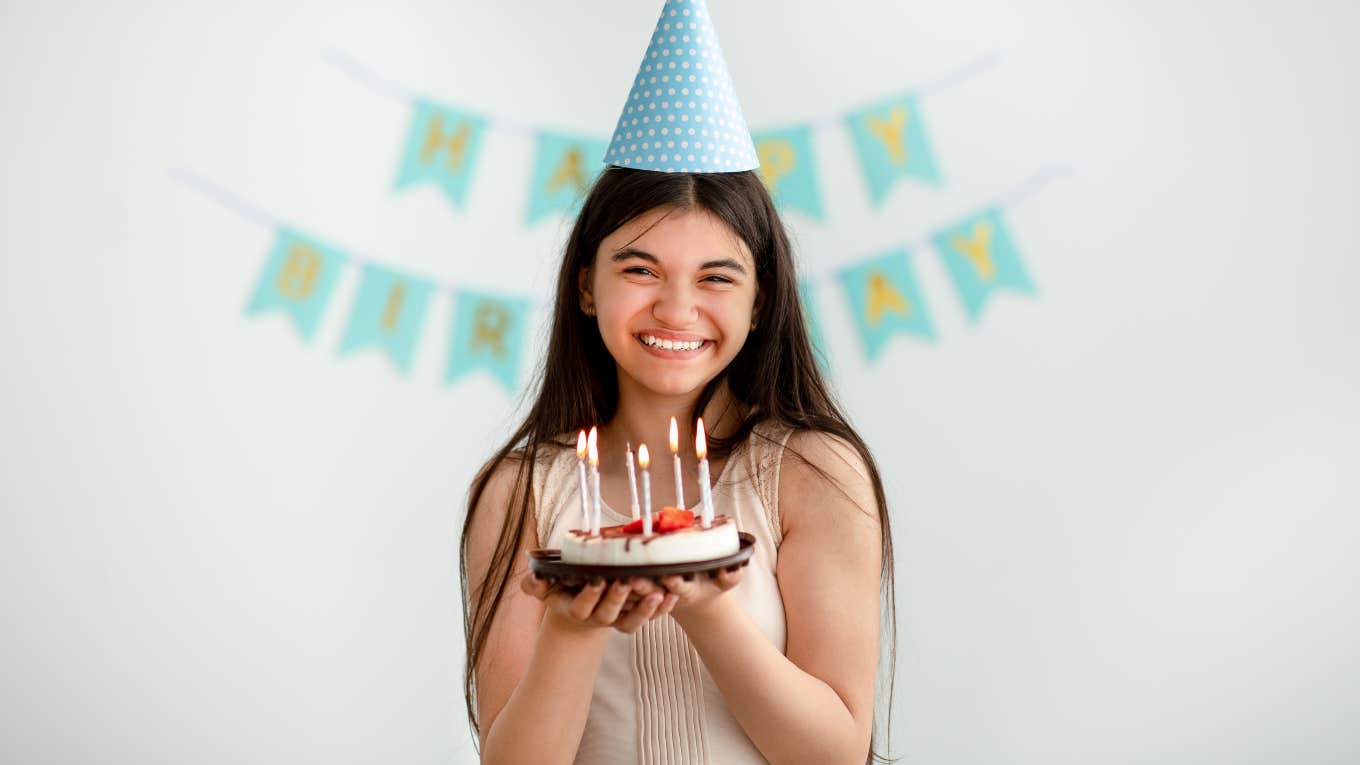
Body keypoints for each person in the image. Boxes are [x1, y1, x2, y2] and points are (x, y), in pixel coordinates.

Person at [461, 2, 895, 762]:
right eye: (640, 269)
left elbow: (835, 752)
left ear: (760, 301)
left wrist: (706, 603)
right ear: (586, 286)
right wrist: (572, 626)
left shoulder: (813, 472)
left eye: (717, 277)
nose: (677, 308)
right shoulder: (520, 489)